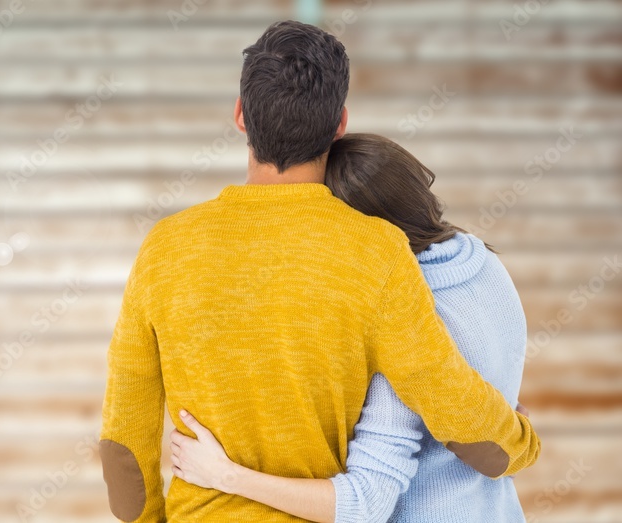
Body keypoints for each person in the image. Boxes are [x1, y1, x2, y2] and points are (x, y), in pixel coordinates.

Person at [100, 21, 540, 523]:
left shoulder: (164, 248)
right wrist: (522, 443)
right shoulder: (378, 251)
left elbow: (123, 448)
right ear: (339, 124)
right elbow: (451, 406)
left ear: (242, 116)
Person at [170, 133, 529, 523]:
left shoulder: (407, 323)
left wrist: (227, 475)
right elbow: (497, 407)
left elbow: (364, 503)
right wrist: (516, 430)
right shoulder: (480, 262)